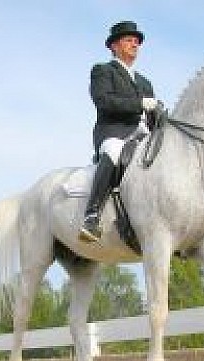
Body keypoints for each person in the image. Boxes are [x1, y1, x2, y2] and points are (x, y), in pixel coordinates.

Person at [78, 20, 159, 243]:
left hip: (142, 136)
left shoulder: (145, 81)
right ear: (114, 46)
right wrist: (140, 103)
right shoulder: (103, 71)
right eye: (129, 40)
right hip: (114, 132)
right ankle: (92, 215)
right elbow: (104, 101)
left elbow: (151, 117)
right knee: (114, 152)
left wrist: (160, 117)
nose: (135, 44)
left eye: (137, 42)